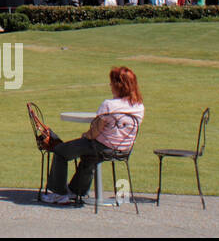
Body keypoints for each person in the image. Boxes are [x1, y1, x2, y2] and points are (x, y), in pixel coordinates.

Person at [42, 66, 144, 205]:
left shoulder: (109, 105)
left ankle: (59, 194)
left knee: (60, 151)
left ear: (118, 85)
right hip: (124, 149)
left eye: (111, 82)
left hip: (101, 146)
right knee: (89, 157)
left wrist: (85, 135)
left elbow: (94, 132)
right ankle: (76, 191)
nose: (110, 85)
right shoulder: (139, 106)